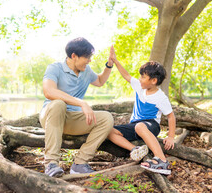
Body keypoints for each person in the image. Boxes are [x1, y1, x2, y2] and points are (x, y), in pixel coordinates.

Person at [39, 37, 114, 177]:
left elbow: (99, 81)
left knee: (106, 118)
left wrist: (109, 65)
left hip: (72, 120)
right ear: (74, 56)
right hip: (52, 116)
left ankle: (80, 163)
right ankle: (51, 164)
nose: (89, 60)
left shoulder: (86, 71)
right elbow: (49, 92)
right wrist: (81, 103)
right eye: (87, 57)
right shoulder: (55, 68)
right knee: (58, 104)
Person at [107, 46, 176, 175]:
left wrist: (171, 137)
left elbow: (171, 117)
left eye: (143, 77)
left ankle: (162, 160)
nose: (139, 79)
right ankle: (136, 150)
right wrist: (115, 61)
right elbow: (126, 75)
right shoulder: (139, 87)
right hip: (135, 126)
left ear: (154, 81)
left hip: (151, 125)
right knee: (109, 131)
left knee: (140, 126)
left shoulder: (161, 97)